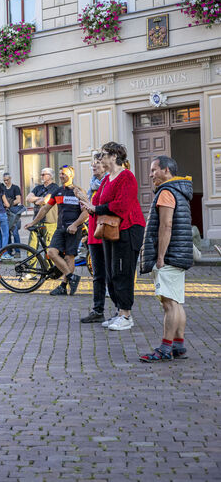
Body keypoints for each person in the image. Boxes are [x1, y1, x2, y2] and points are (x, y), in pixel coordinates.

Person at [79, 142, 146, 331]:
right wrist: (86, 203)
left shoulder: (127, 176)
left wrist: (96, 208)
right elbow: (97, 200)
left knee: (122, 272)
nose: (100, 158)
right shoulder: (107, 178)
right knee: (111, 273)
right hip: (111, 230)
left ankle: (126, 314)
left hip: (128, 228)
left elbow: (122, 204)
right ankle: (119, 312)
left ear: (114, 157)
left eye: (104, 154)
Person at [139, 156, 193, 362]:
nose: (151, 174)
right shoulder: (181, 191)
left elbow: (166, 226)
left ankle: (165, 348)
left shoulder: (167, 192)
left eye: (154, 170)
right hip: (180, 253)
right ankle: (178, 345)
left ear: (166, 170)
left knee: (169, 304)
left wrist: (160, 256)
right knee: (177, 302)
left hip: (169, 256)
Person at [25, 165, 86, 296]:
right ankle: (71, 277)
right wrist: (33, 222)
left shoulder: (78, 191)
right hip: (60, 228)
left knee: (69, 257)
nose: (61, 176)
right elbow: (45, 208)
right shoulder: (58, 191)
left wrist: (75, 224)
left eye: (63, 173)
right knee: (51, 252)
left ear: (71, 175)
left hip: (74, 229)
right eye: (60, 173)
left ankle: (63, 286)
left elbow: (86, 212)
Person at [79, 153, 113, 323]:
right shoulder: (93, 185)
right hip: (94, 231)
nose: (93, 166)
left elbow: (106, 206)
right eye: (93, 164)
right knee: (98, 275)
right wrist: (84, 201)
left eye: (97, 163)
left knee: (112, 273)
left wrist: (89, 202)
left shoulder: (109, 182)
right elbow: (90, 208)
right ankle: (98, 310)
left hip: (107, 230)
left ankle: (120, 312)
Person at [26, 168, 59, 255]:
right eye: (41, 174)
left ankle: (48, 268)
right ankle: (31, 268)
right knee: (31, 247)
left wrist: (38, 200)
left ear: (50, 176)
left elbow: (45, 201)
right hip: (36, 221)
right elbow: (28, 198)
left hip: (49, 222)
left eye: (44, 174)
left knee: (49, 248)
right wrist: (39, 199)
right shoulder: (38, 188)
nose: (41, 176)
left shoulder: (55, 187)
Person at [2, 172, 23, 245]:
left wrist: (9, 204)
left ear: (10, 178)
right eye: (4, 180)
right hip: (6, 212)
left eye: (7, 180)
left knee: (15, 231)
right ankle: (9, 251)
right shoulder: (3, 189)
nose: (6, 182)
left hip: (14, 212)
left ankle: (17, 251)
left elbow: (18, 200)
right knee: (7, 232)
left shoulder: (15, 187)